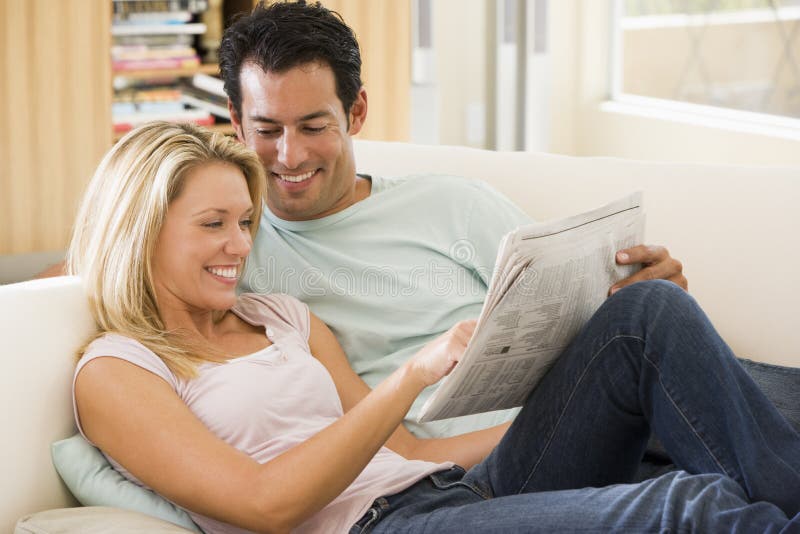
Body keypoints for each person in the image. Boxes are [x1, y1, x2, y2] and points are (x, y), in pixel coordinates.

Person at [68, 121, 799, 533]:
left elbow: (412, 447)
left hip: (456, 490)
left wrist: (580, 400)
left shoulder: (281, 318)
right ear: (142, 231)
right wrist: (412, 375)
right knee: (686, 507)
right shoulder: (118, 371)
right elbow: (265, 504)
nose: (240, 245)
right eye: (213, 225)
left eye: (246, 223)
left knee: (640, 316)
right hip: (381, 530)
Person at [218, 0, 687, 439]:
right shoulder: (231, 254)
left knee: (663, 318)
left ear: (356, 112)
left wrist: (646, 287)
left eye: (314, 127)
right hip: (471, 470)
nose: (290, 154)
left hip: (594, 417)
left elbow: (587, 312)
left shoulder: (452, 203)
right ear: (237, 122)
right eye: (267, 130)